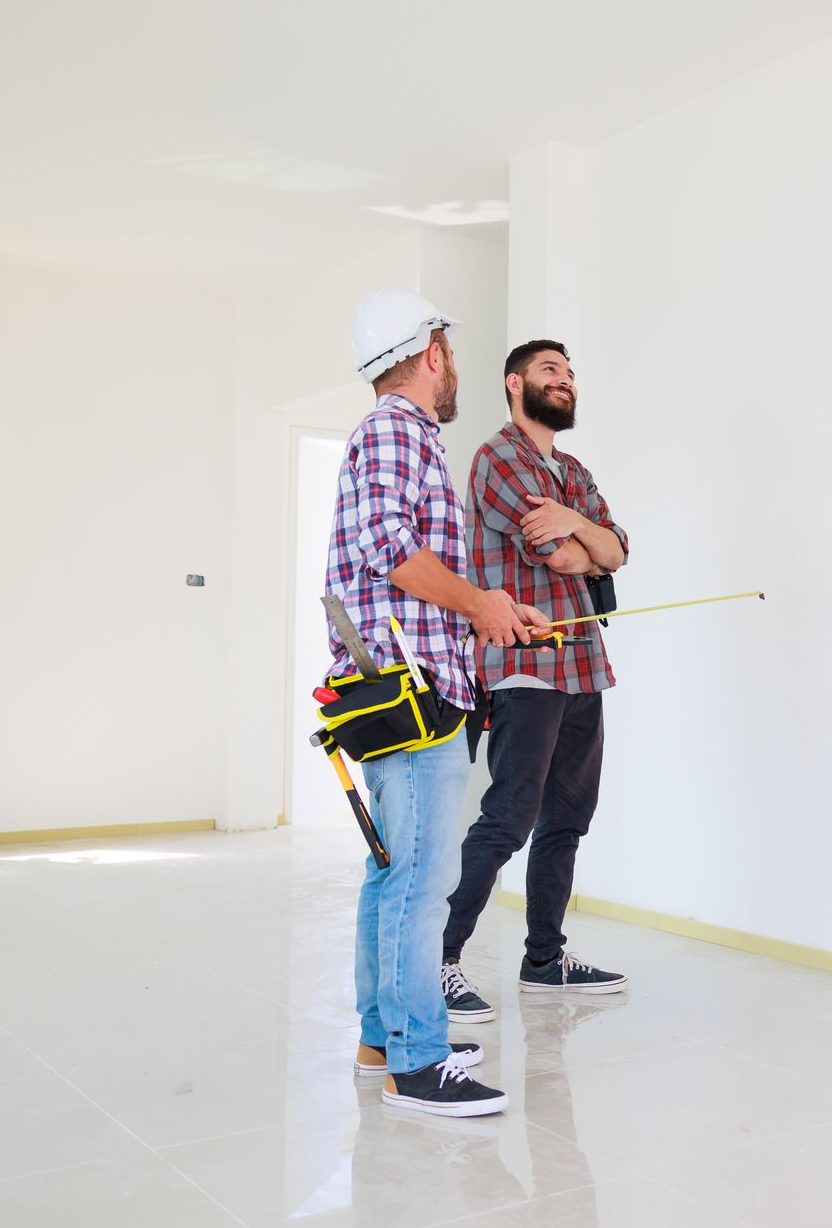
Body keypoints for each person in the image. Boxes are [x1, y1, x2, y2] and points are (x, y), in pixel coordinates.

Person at [330, 288, 549, 1118]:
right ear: (429, 352)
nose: (452, 364)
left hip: (406, 683)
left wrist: (493, 612)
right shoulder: (396, 429)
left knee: (393, 874)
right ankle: (418, 1064)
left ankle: (383, 1039)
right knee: (422, 880)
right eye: (449, 350)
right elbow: (390, 552)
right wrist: (478, 606)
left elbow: (412, 573)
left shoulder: (397, 435)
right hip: (411, 696)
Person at [440, 340, 630, 1025]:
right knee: (508, 820)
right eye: (551, 371)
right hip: (525, 667)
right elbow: (554, 552)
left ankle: (544, 961)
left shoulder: (571, 470)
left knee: (568, 821)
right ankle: (438, 958)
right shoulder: (498, 459)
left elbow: (615, 550)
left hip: (583, 664)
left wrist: (580, 523)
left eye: (571, 373)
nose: (566, 381)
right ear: (514, 383)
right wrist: (584, 541)